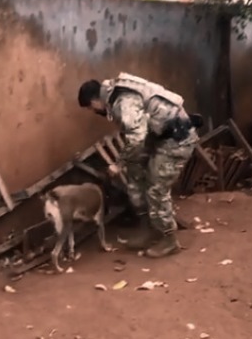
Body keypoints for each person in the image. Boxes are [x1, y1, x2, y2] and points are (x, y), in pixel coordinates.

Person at [77, 72, 201, 257]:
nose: (93, 112)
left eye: (90, 108)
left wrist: (118, 164)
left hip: (176, 140)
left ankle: (169, 240)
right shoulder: (115, 92)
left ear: (95, 100)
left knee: (156, 188)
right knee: (136, 175)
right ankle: (149, 230)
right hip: (159, 137)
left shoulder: (122, 102)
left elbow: (136, 139)